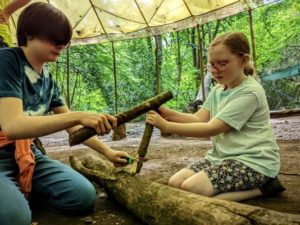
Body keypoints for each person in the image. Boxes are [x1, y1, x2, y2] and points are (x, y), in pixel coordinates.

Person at [0, 3, 129, 225]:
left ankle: (16, 195)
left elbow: (75, 128)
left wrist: (108, 152)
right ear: (29, 34)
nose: (61, 44)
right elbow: (12, 126)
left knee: (82, 196)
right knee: (15, 219)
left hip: (27, 154)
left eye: (64, 40)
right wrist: (77, 115)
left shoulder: (48, 80)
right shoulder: (6, 60)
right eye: (53, 38)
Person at [146, 32, 285, 202]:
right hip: (221, 158)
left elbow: (211, 128)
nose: (214, 70)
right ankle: (221, 193)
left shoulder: (250, 92)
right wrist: (168, 113)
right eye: (212, 64)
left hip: (254, 162)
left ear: (244, 60)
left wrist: (167, 127)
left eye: (222, 63)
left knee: (192, 189)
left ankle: (264, 188)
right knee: (175, 183)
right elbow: (199, 118)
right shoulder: (219, 89)